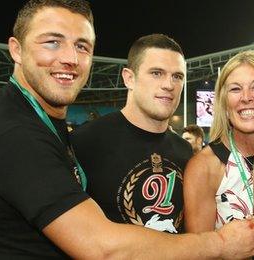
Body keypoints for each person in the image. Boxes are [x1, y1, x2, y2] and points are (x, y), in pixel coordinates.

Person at [0, 1, 254, 258]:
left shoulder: (41, 124)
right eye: (52, 42)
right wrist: (220, 243)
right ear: (16, 49)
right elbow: (102, 247)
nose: (69, 58)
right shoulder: (14, 132)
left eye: (82, 46)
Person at [71, 34, 192, 234]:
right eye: (156, 73)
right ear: (129, 78)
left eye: (177, 76)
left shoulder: (185, 151)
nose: (169, 85)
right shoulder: (85, 142)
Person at [183, 50, 254, 256]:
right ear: (225, 104)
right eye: (235, 89)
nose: (246, 97)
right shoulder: (205, 166)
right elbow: (199, 253)